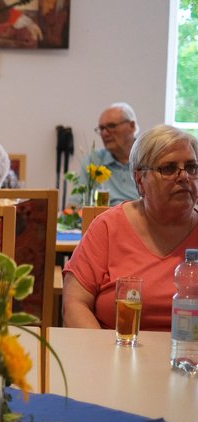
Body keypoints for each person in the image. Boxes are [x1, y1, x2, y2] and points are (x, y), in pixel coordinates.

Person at [63, 125, 198, 331]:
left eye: (191, 167)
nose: (184, 177)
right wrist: (100, 349)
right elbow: (74, 303)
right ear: (140, 179)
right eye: (168, 169)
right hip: (116, 348)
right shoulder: (108, 227)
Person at [84, 102, 140, 205]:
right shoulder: (94, 160)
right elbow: (77, 203)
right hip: (102, 215)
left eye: (111, 126)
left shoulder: (149, 160)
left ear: (131, 126)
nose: (104, 133)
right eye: (101, 129)